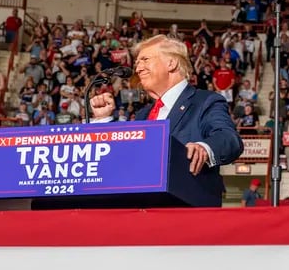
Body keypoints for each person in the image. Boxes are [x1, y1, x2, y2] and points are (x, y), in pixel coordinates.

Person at [90, 35, 244, 198]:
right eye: (137, 63)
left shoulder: (205, 101)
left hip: (186, 211)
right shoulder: (143, 114)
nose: (138, 69)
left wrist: (204, 148)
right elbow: (124, 160)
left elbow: (229, 138)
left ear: (171, 63)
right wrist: (104, 120)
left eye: (145, 60)